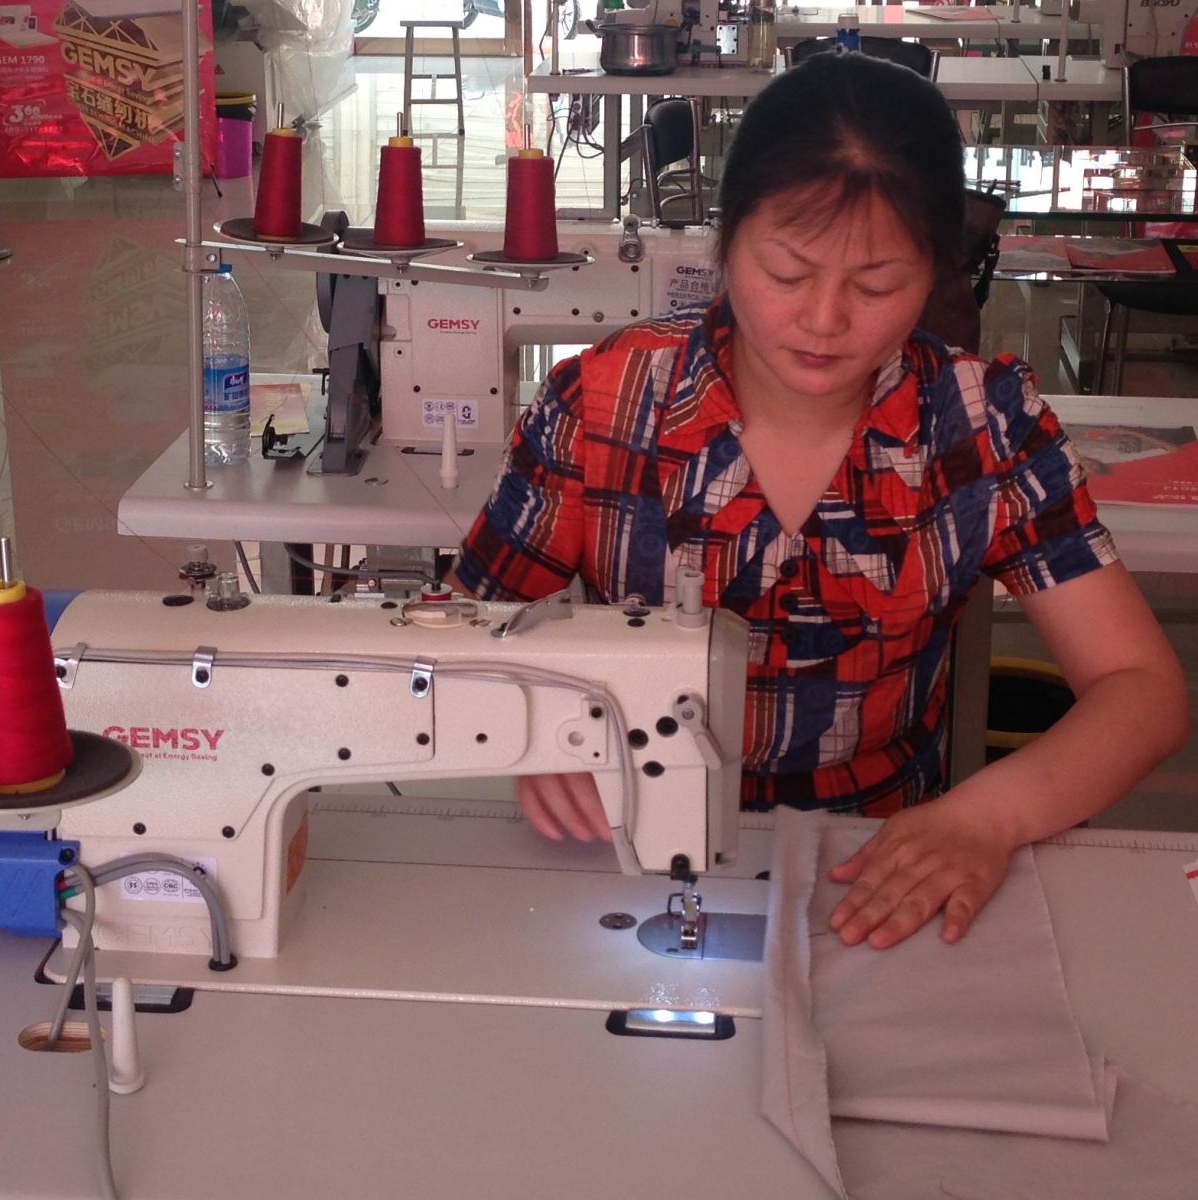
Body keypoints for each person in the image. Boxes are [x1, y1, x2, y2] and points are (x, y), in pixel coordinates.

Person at [450, 52, 1190, 950]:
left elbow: (1141, 690)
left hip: (876, 872)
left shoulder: (980, 426)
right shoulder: (604, 406)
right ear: (727, 239)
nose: (825, 320)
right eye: (788, 272)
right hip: (619, 851)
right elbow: (464, 638)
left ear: (936, 271)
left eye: (877, 285)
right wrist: (537, 729)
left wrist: (989, 815)